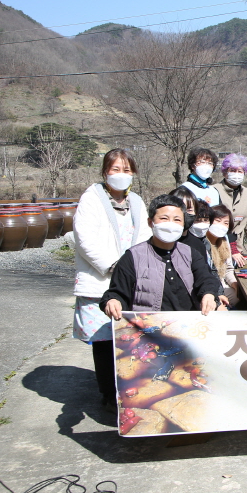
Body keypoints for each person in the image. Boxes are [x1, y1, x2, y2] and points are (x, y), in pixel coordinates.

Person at [73, 149, 150, 410]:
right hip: (101, 279)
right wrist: (114, 266)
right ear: (105, 171)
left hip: (132, 280)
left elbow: (144, 235)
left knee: (130, 339)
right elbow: (85, 238)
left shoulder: (137, 201)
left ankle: (130, 390)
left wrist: (138, 268)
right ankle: (108, 393)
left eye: (126, 170)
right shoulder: (91, 199)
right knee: (105, 341)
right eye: (115, 169)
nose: (121, 175)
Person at [100, 194, 218, 318]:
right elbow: (118, 292)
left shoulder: (191, 253)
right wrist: (113, 301)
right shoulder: (132, 257)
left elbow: (206, 279)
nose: (171, 224)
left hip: (189, 328)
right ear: (150, 222)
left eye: (177, 219)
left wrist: (209, 294)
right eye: (164, 218)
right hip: (148, 330)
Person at [203, 204, 239, 308]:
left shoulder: (225, 240)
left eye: (226, 223)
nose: (221, 225)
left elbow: (228, 269)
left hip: (223, 285)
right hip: (209, 288)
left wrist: (234, 284)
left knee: (243, 294)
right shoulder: (203, 243)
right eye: (217, 221)